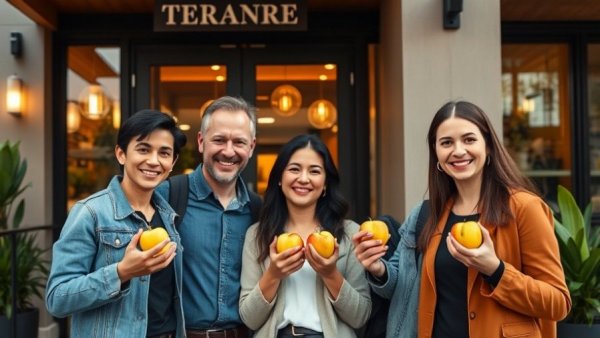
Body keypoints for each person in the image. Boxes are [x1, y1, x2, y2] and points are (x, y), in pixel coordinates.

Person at [353, 101, 571, 338]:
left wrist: (495, 270)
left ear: (488, 146)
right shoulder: (428, 214)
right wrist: (377, 269)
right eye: (446, 143)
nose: (458, 151)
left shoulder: (524, 207)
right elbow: (404, 288)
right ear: (436, 152)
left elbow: (557, 302)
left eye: (469, 139)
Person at [46, 109, 188, 338]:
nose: (153, 161)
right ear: (121, 154)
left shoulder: (169, 216)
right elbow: (57, 298)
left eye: (164, 153)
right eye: (143, 149)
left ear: (173, 162)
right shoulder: (91, 213)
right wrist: (121, 273)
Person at [239, 134, 371, 338]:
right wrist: (273, 274)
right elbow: (249, 318)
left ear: (326, 183)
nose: (303, 178)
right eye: (294, 169)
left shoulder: (350, 234)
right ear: (280, 179)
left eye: (315, 171)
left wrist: (330, 274)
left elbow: (360, 316)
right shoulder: (257, 235)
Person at [155, 96, 258, 338]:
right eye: (219, 140)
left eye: (239, 142)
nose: (229, 151)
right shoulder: (167, 196)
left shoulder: (258, 210)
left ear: (251, 147)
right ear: (201, 142)